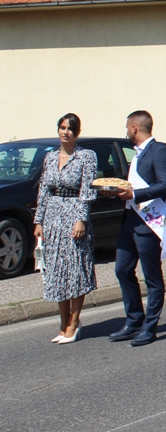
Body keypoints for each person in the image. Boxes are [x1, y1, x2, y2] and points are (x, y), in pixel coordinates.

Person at [107, 110, 166, 347]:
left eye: (127, 127)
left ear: (134, 128)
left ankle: (150, 326)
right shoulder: (137, 153)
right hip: (130, 219)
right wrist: (114, 192)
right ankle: (134, 319)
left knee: (152, 276)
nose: (126, 131)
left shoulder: (159, 150)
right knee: (122, 269)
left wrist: (135, 195)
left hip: (149, 222)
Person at [33, 113, 97, 344]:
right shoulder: (50, 157)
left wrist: (81, 219)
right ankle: (63, 322)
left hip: (73, 215)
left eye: (70, 128)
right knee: (57, 270)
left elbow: (87, 190)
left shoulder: (86, 156)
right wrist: (39, 220)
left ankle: (74, 321)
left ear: (76, 132)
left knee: (75, 269)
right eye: (62, 127)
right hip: (52, 217)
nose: (65, 132)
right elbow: (43, 189)